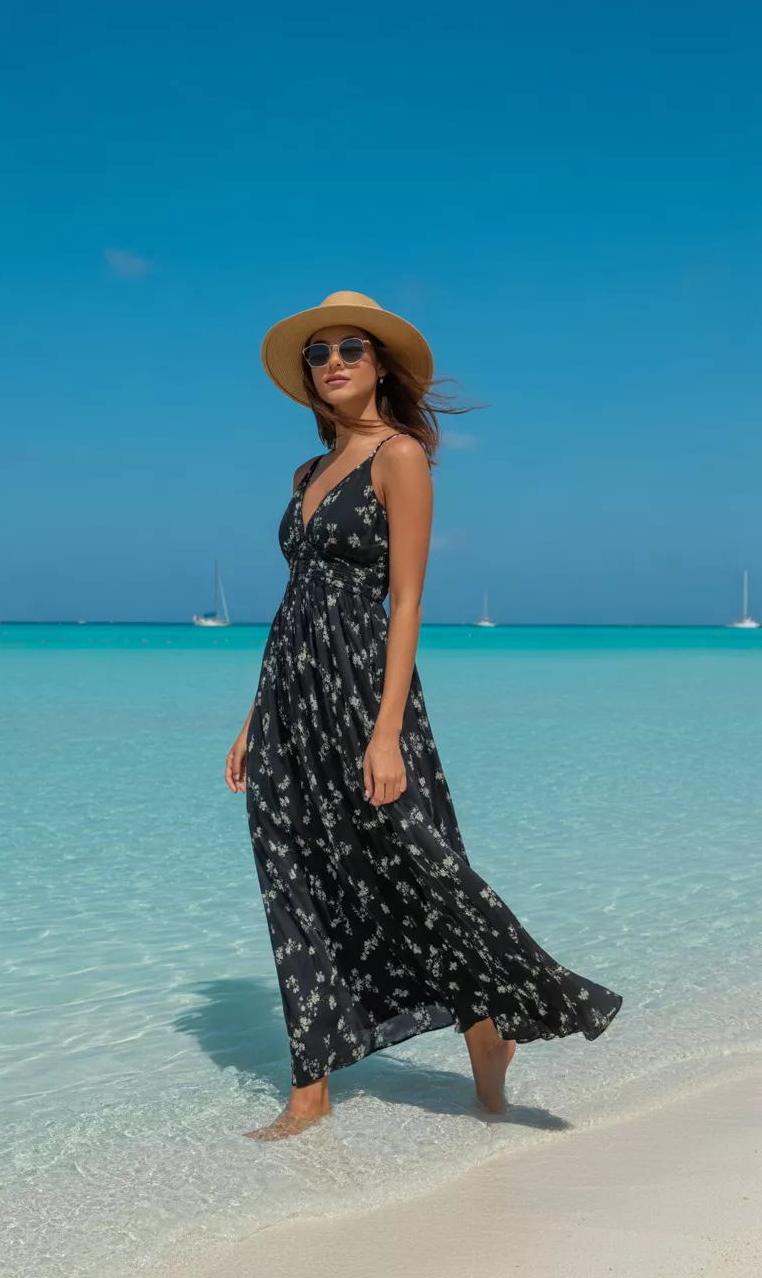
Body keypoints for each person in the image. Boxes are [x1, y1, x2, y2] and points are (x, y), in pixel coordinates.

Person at [225, 291, 623, 1142]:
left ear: (380, 366)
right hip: (292, 696)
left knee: (418, 866)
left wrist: (385, 731)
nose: (333, 362)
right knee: (293, 872)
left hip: (366, 690)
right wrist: (255, 718)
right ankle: (310, 1091)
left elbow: (404, 601)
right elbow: (295, 604)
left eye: (351, 349)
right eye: (319, 352)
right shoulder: (306, 474)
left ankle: (496, 1021)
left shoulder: (398, 457)